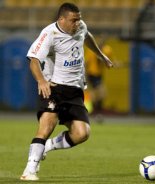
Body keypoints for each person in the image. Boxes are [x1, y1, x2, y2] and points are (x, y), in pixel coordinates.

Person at [20, 2, 113, 181]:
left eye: (79, 19)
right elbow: (33, 60)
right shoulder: (49, 33)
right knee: (47, 126)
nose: (77, 23)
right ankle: (29, 170)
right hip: (54, 87)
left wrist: (101, 55)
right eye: (73, 20)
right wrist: (41, 80)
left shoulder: (81, 26)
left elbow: (87, 36)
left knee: (82, 133)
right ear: (61, 19)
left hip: (75, 89)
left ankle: (47, 147)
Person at [84, 37, 113, 119]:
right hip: (92, 74)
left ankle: (95, 111)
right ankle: (95, 111)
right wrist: (85, 76)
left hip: (99, 75)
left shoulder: (106, 50)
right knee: (100, 93)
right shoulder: (91, 51)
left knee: (99, 94)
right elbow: (86, 63)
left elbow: (109, 59)